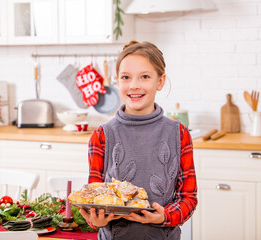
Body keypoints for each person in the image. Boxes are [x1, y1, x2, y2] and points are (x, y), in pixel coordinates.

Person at [79, 40, 198, 240]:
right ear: (117, 80)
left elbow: (188, 198)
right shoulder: (101, 136)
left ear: (160, 81)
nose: (134, 85)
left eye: (144, 77)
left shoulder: (179, 134)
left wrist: (164, 216)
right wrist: (95, 221)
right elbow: (94, 197)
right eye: (126, 77)